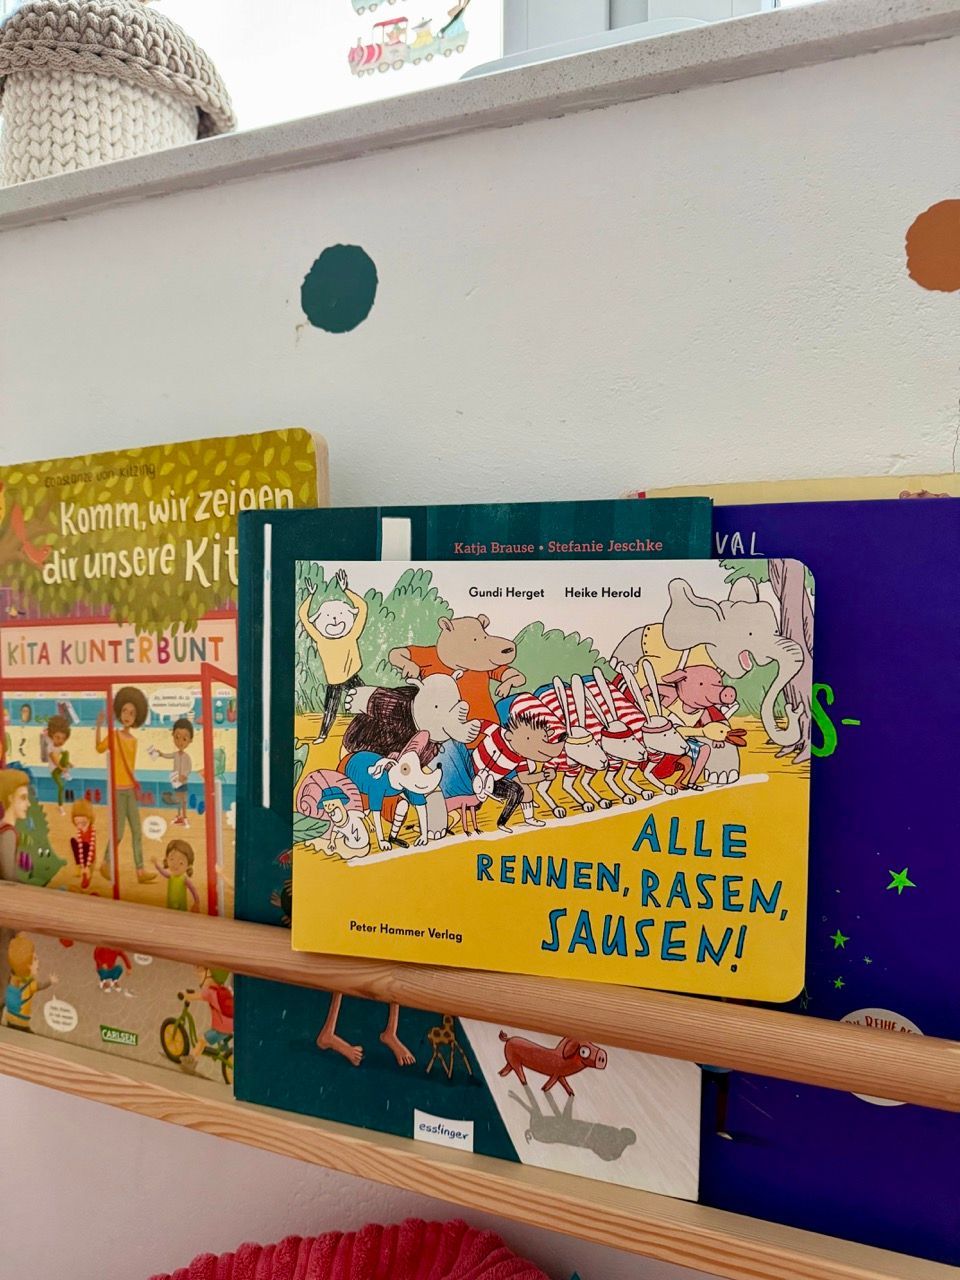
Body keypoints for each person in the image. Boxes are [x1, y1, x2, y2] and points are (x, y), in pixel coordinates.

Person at [297, 569, 368, 744]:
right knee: (330, 709)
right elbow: (303, 616)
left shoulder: (351, 634)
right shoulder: (321, 639)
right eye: (328, 616)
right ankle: (323, 735)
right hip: (334, 681)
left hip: (352, 676)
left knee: (367, 701)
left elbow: (362, 608)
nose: (335, 620)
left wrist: (346, 590)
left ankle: (371, 730)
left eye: (339, 615)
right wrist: (310, 596)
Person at [96, 686, 155, 884]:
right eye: (125, 711)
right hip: (117, 790)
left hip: (130, 790)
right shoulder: (113, 736)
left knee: (137, 831)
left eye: (132, 713)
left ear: (137, 717)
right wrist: (99, 726)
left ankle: (140, 871)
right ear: (119, 712)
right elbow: (99, 749)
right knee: (119, 832)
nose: (128, 716)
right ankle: (105, 863)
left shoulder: (134, 741)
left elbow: (130, 766)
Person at [181, 966, 233, 1071]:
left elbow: (197, 996)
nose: (198, 976)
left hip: (222, 1029)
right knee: (220, 1038)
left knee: (202, 1040)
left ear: (209, 973)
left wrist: (184, 995)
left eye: (201, 973)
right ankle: (224, 1048)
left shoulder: (210, 992)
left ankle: (191, 1062)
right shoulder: (222, 988)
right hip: (231, 1024)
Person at [4, 934, 56, 1032]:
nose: (38, 961)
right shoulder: (29, 985)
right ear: (28, 966)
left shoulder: (13, 978)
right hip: (22, 1021)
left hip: (9, 1016)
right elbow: (41, 986)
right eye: (35, 959)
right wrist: (50, 981)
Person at [150, 716, 195, 827]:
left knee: (183, 799)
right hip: (176, 781)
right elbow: (168, 755)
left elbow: (189, 768)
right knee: (178, 799)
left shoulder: (187, 757)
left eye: (184, 739)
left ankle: (184, 817)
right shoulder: (175, 754)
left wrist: (184, 775)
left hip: (183, 781)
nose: (180, 742)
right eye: (177, 737)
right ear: (173, 736)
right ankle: (179, 816)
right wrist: (160, 754)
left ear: (190, 740)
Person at [152, 838, 200, 912]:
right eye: (172, 859)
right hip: (170, 907)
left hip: (181, 909)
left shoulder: (184, 879)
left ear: (188, 866)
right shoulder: (170, 875)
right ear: (167, 859)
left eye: (181, 863)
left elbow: (193, 890)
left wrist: (197, 902)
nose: (175, 865)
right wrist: (156, 864)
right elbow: (162, 871)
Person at [44, 713, 72, 813]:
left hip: (60, 768)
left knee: (66, 752)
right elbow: (54, 760)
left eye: (63, 739)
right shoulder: (50, 747)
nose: (60, 741)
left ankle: (65, 773)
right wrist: (62, 768)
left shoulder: (60, 747)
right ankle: (60, 806)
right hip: (54, 770)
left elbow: (63, 756)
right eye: (57, 737)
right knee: (61, 786)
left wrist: (69, 763)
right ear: (52, 736)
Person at [69, 798, 97, 889]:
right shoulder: (80, 831)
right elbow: (79, 845)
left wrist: (87, 866)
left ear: (89, 819)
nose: (80, 826)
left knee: (85, 845)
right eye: (77, 823)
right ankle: (80, 867)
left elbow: (91, 847)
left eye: (83, 823)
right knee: (73, 841)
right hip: (82, 856)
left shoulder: (92, 831)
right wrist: (81, 864)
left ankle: (86, 875)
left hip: (89, 856)